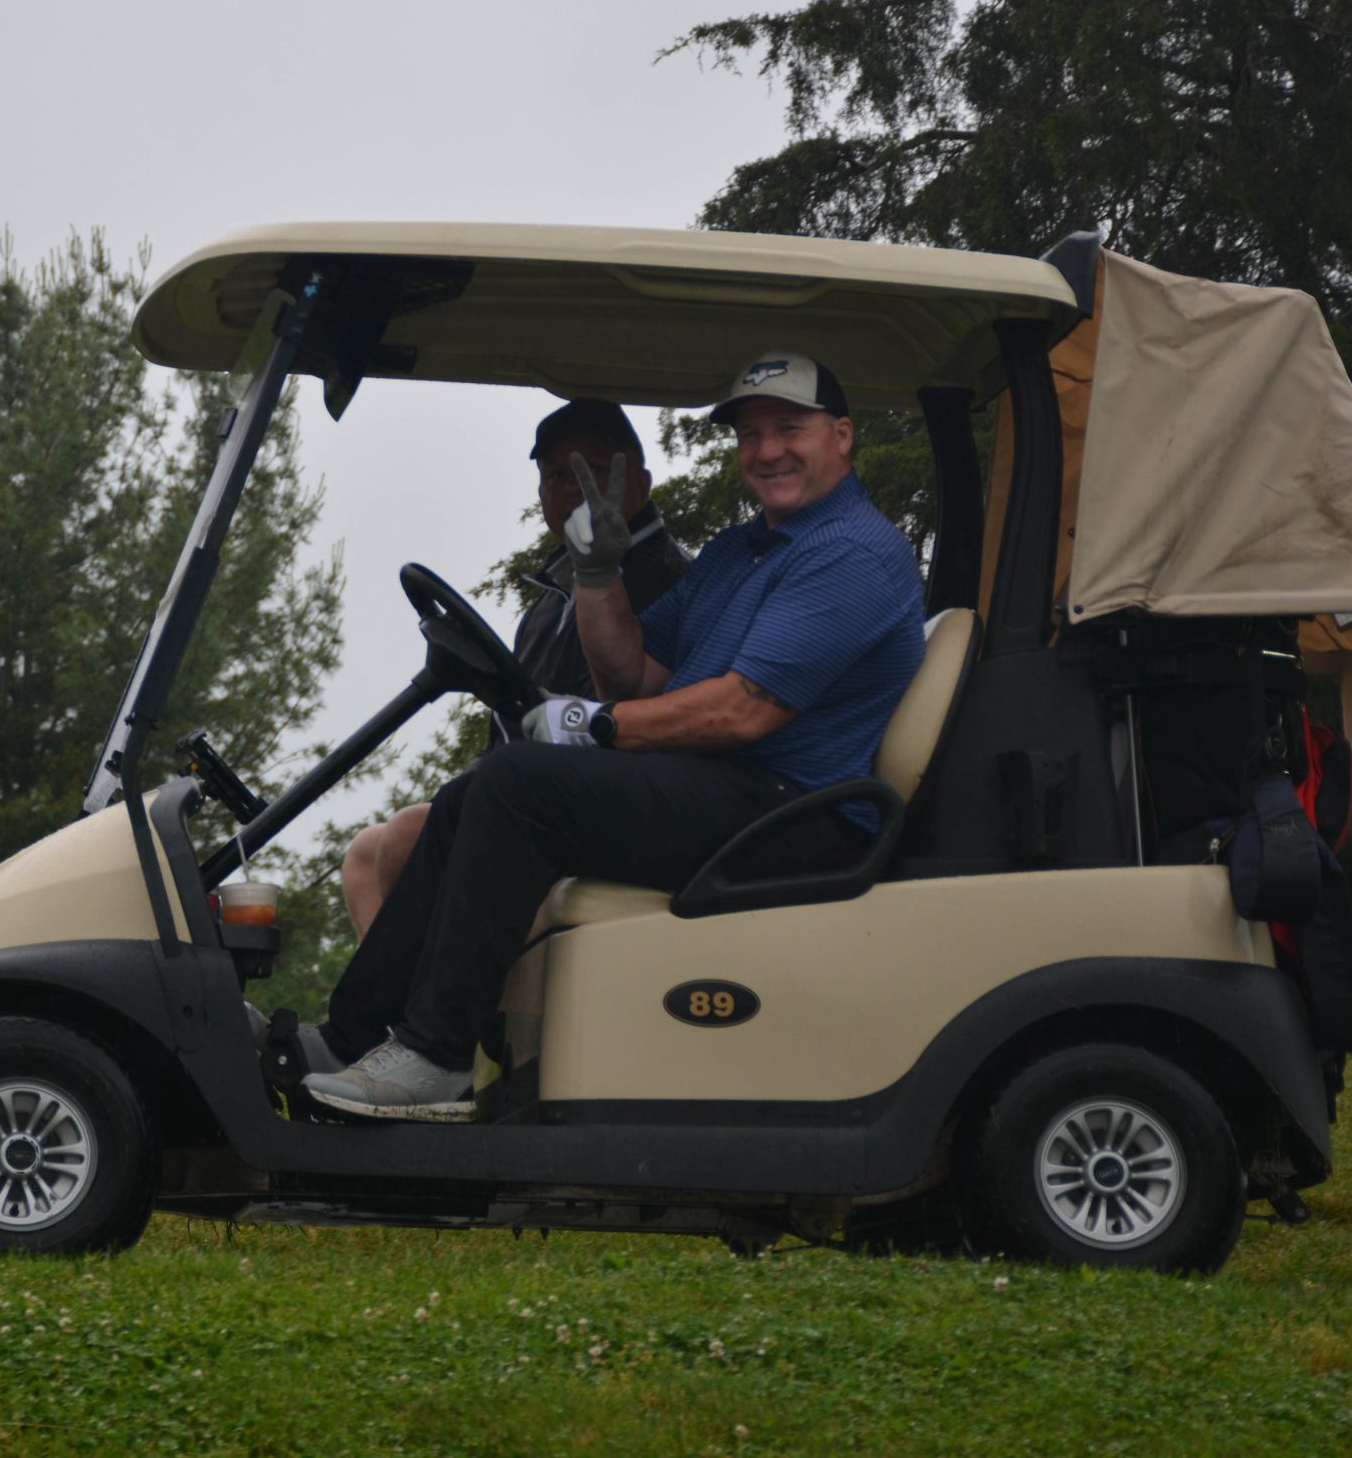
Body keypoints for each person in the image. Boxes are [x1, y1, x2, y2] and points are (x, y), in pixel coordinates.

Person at [302, 350, 926, 1120]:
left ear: (841, 435)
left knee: (518, 784)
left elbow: (741, 713)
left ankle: (438, 1056)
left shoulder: (851, 553)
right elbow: (632, 676)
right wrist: (598, 576)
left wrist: (588, 726)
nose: (767, 450)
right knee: (471, 793)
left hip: (796, 811)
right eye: (750, 434)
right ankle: (350, 1035)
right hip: (730, 789)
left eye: (789, 428)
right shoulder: (738, 552)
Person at [338, 400, 689, 937]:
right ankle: (399, 993)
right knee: (365, 854)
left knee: (408, 835)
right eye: (556, 476)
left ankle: (437, 990)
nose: (573, 488)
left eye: (593, 471)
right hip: (527, 783)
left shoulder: (667, 579)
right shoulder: (552, 595)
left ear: (638, 483)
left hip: (606, 798)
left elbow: (618, 709)